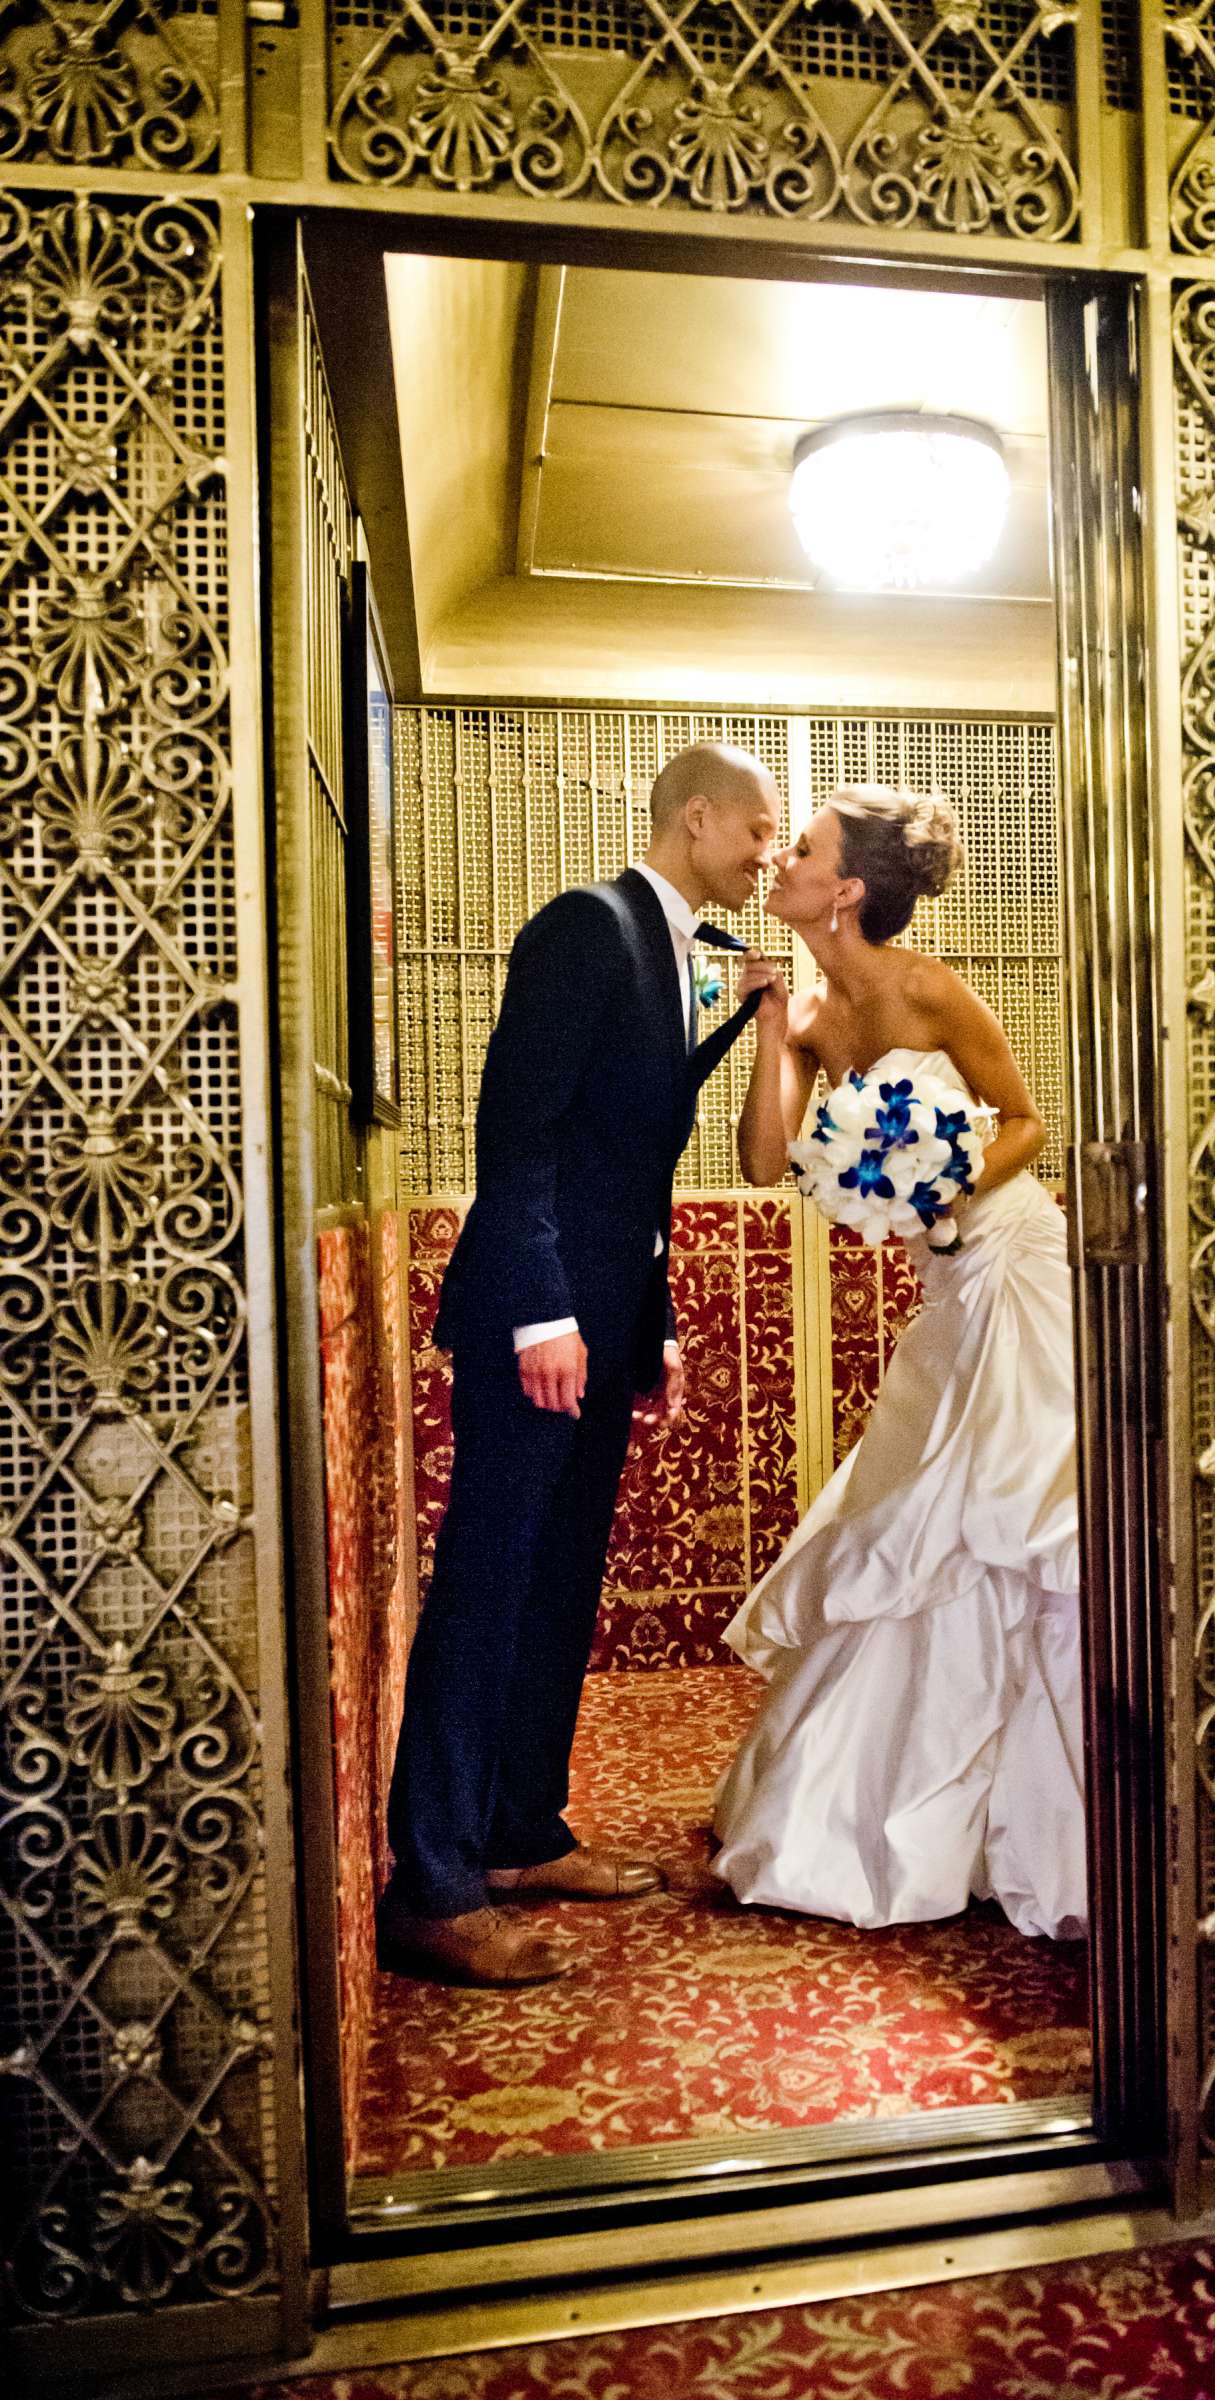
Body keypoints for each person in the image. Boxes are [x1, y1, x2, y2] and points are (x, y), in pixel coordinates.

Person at [383, 742, 781, 1985]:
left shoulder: (673, 951)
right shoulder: (587, 926)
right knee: (490, 1587)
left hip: (605, 1322)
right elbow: (523, 1131)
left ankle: (519, 1834)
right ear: (697, 816)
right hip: (538, 1325)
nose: (767, 851)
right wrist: (543, 1311)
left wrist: (645, 1317)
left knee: (561, 1582)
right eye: (758, 828)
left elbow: (633, 1160)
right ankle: (435, 1884)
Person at [713, 785, 1087, 1938]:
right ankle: (888, 1807)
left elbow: (1023, 1119)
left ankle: (1047, 1819)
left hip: (1014, 1259)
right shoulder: (821, 1015)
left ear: (849, 890)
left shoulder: (928, 987)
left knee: (1013, 1507)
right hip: (947, 1280)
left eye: (805, 850)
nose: (782, 859)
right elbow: (768, 1159)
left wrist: (943, 1185)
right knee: (921, 1504)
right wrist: (775, 1029)